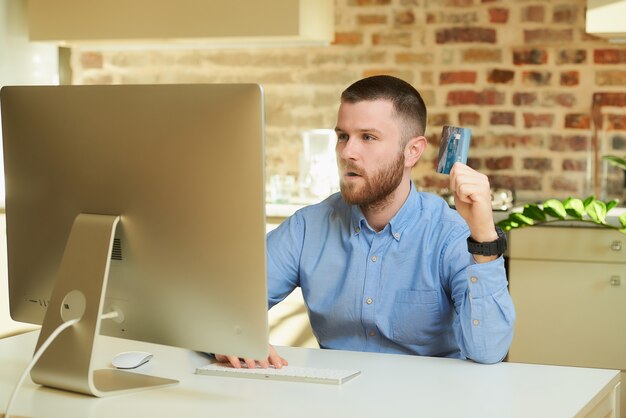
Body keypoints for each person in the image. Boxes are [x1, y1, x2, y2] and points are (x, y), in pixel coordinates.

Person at [216, 75, 515, 369]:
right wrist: (229, 334)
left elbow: (488, 351)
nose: (347, 152)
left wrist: (485, 237)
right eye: (343, 136)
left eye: (368, 137)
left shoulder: (449, 233)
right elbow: (222, 304)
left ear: (412, 151)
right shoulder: (308, 227)